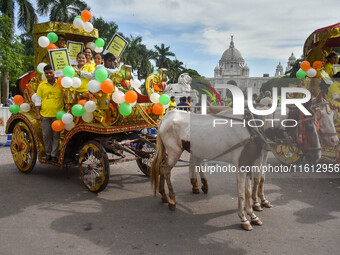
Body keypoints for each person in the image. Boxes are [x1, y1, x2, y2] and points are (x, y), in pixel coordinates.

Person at [35, 65, 64, 163]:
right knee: (46, 135)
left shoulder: (61, 84)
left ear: (54, 73)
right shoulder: (42, 85)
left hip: (58, 115)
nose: (48, 75)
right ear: (44, 74)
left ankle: (54, 155)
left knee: (56, 136)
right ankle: (48, 153)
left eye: (50, 72)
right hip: (45, 115)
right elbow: (38, 101)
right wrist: (38, 114)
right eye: (46, 73)